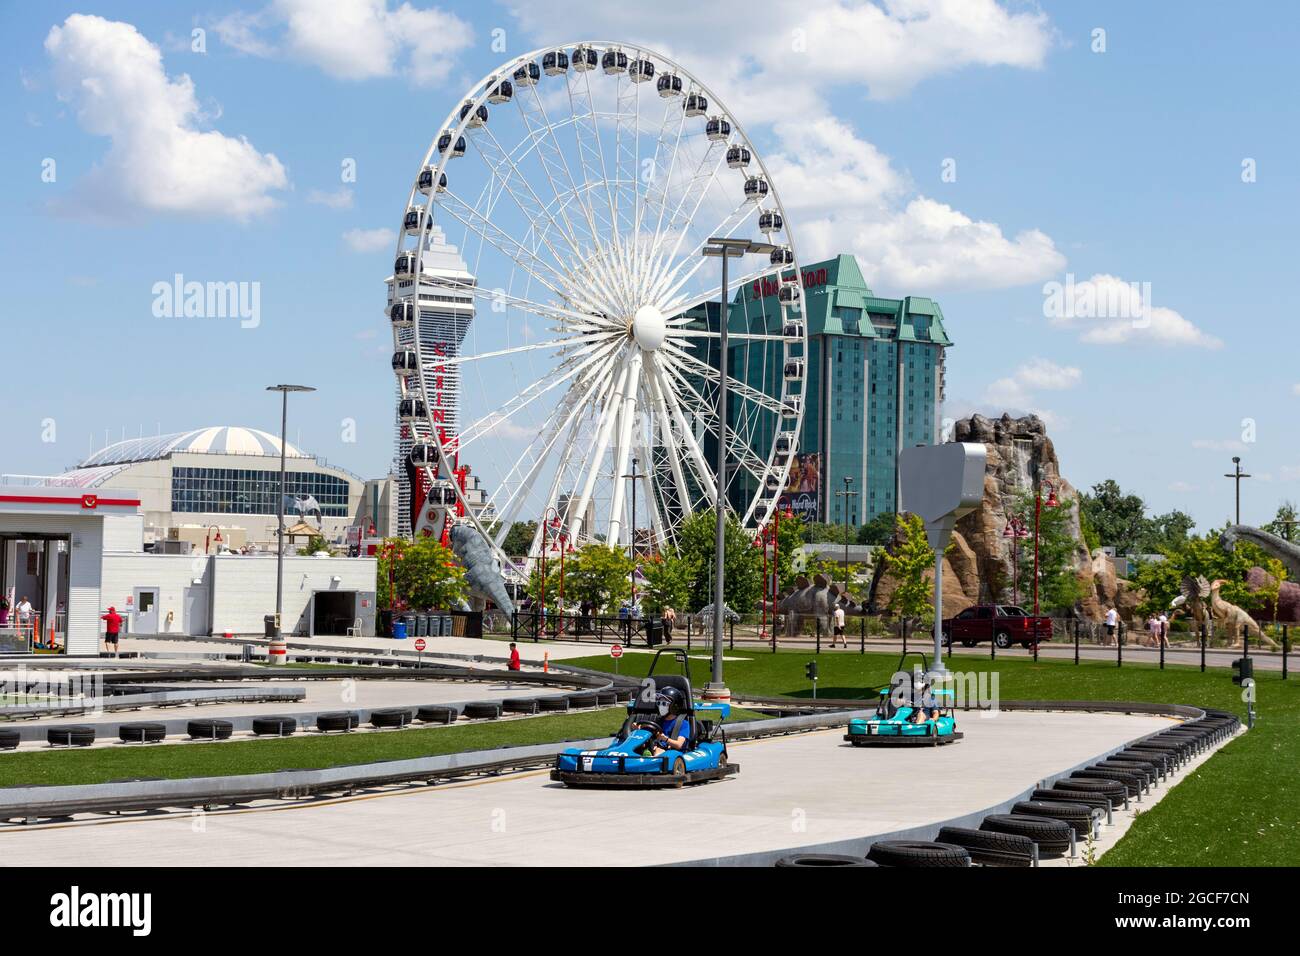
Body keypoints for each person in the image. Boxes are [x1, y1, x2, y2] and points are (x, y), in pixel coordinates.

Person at [645, 686, 693, 757]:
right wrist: (638, 728)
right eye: (659, 703)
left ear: (674, 706)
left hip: (674, 753)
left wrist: (665, 739)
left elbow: (679, 745)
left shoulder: (683, 724)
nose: (661, 706)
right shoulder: (657, 721)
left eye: (664, 703)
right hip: (656, 749)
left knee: (659, 752)